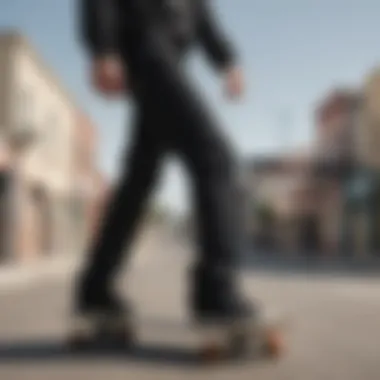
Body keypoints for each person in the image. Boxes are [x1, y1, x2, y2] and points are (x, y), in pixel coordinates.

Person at [73, 0, 255, 334]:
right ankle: (215, 289)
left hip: (167, 59)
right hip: (144, 49)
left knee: (139, 179)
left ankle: (95, 287)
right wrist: (104, 47)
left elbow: (203, 21)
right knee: (214, 156)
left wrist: (228, 61)